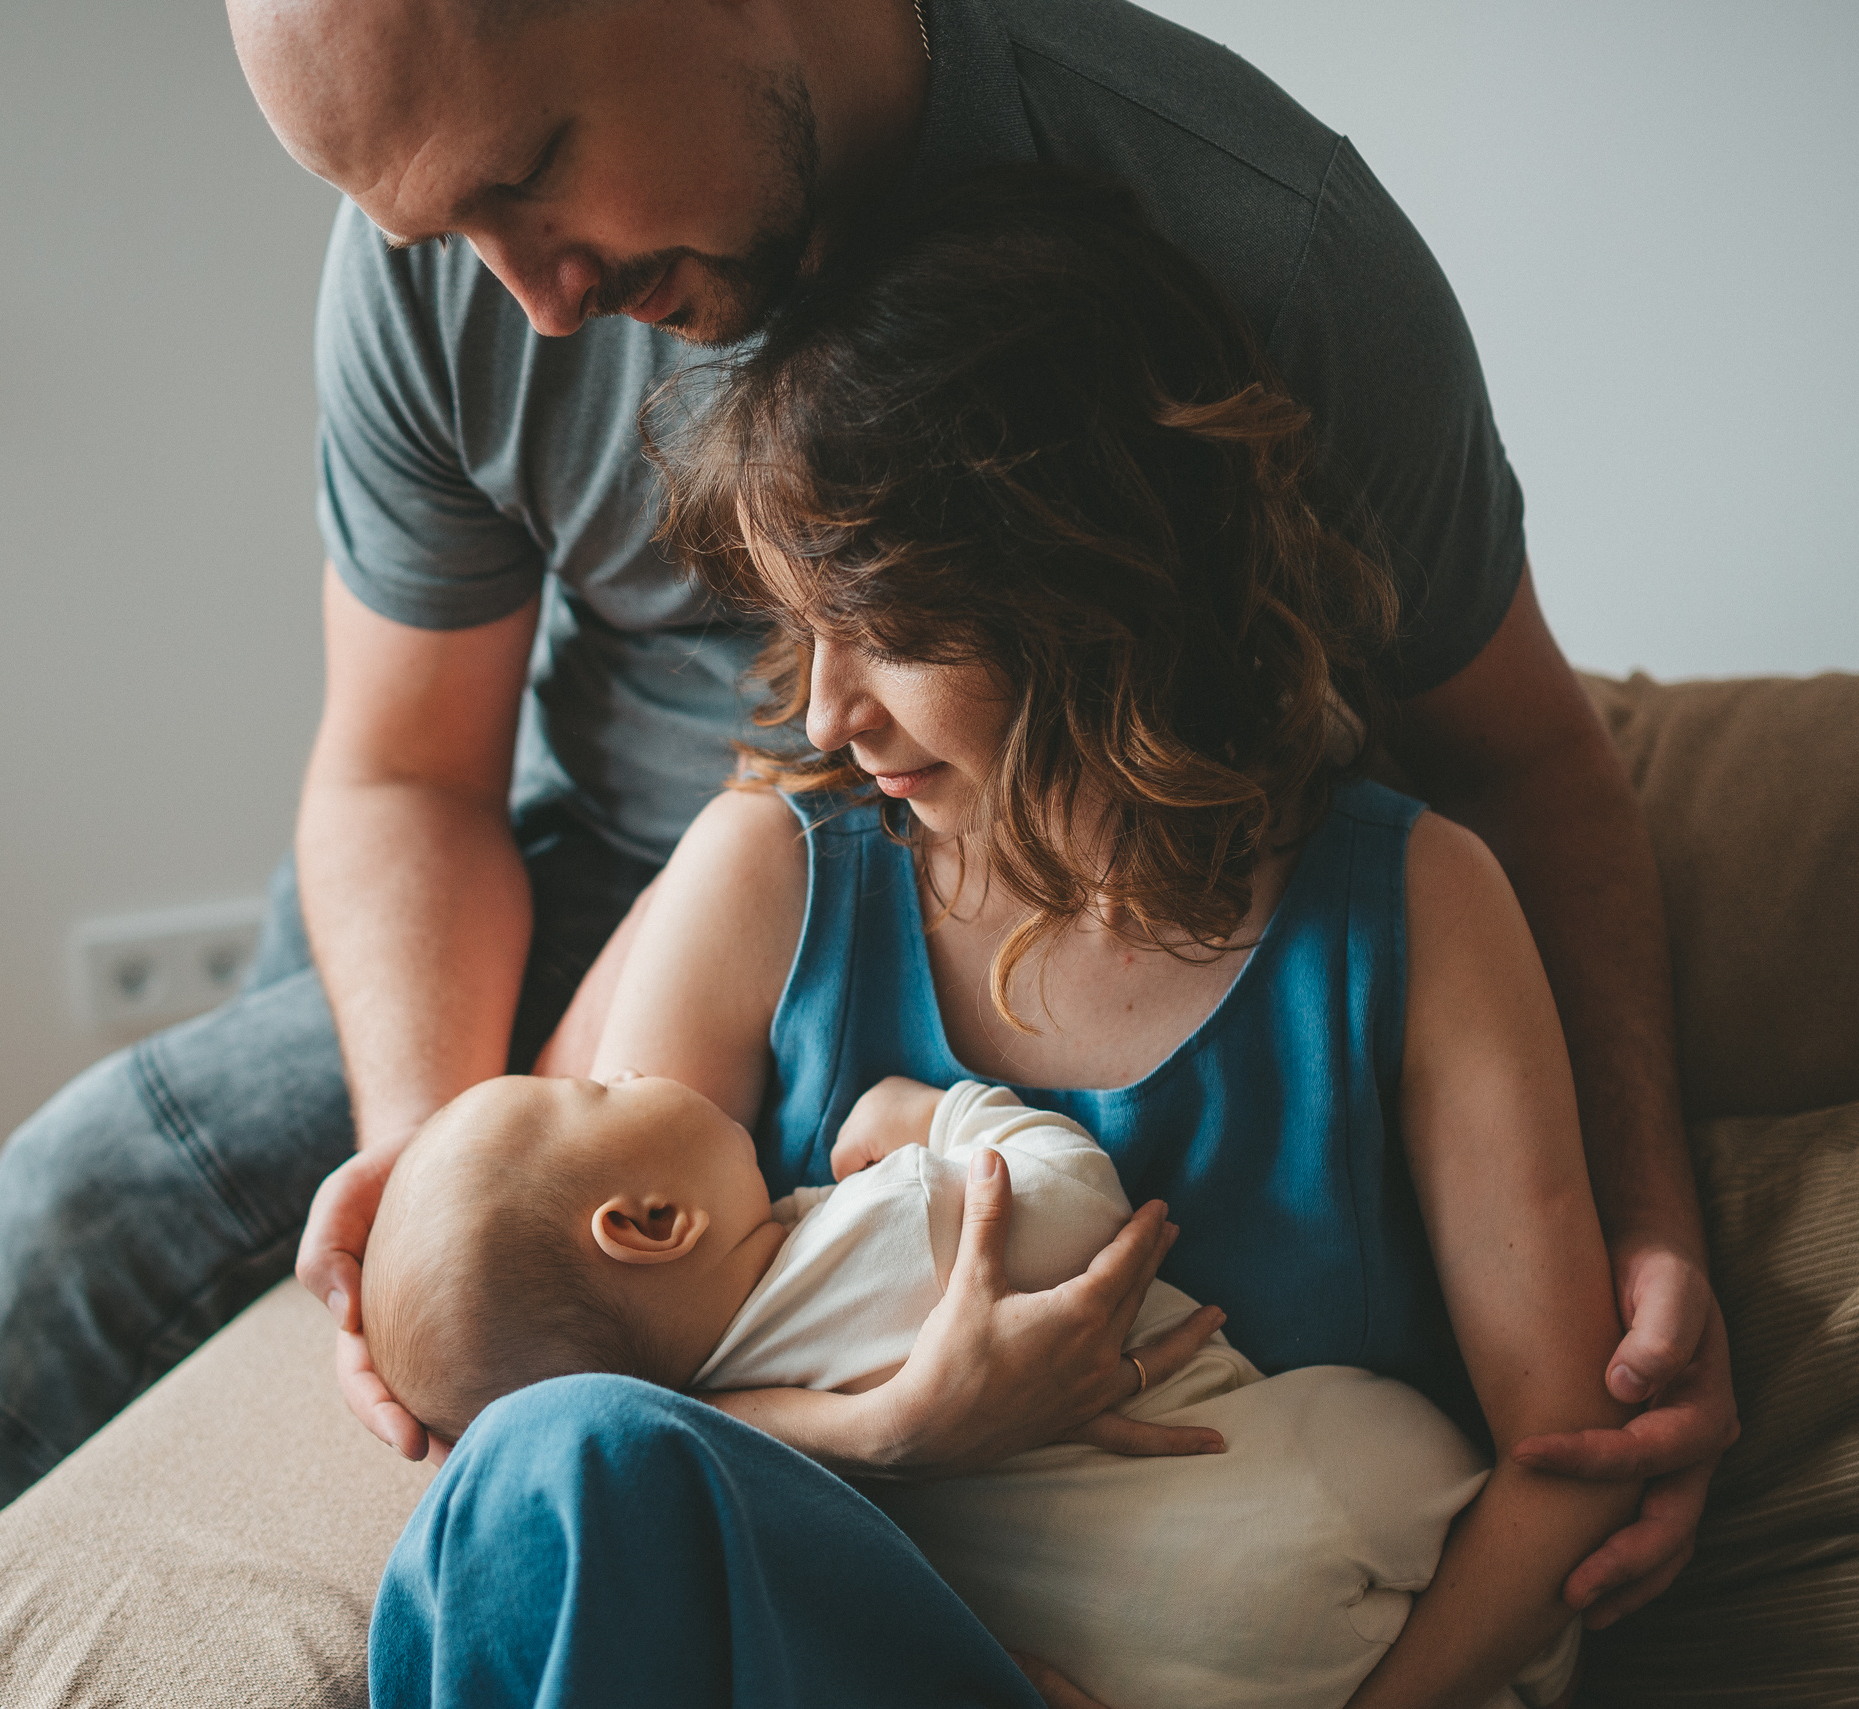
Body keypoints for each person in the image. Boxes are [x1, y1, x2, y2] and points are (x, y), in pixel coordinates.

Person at [0, 1, 1732, 1700]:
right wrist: (457, 1162)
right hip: (634, 862)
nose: (525, 292)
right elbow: (401, 775)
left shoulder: (1254, 244)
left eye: (529, 174)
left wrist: (1651, 1241)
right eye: (437, 225)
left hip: (1092, 841)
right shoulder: (458, 264)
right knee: (92, 1194)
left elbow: (1525, 757)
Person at [377, 164, 1639, 1709]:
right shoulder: (771, 874)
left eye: (880, 631)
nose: (824, 714)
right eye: (801, 629)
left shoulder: (1417, 907)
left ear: (1082, 586)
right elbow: (608, 1419)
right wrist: (899, 1428)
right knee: (543, 1474)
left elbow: (1570, 1461)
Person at [362, 1067, 1582, 1709]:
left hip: (1131, 1663)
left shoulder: (716, 1416)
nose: (625, 1065)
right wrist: (943, 1112)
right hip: (1277, 1535)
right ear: (648, 1221)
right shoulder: (874, 1232)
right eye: (597, 1090)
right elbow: (1069, 1203)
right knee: (1389, 1439)